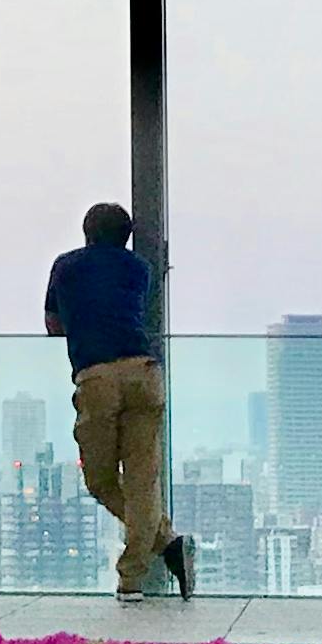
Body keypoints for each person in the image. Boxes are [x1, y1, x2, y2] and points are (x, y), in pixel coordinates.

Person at [46, 202, 191, 604]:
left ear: (87, 232)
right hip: (146, 371)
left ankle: (146, 565)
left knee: (101, 479)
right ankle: (149, 561)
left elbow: (53, 324)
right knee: (144, 483)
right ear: (127, 236)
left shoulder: (66, 266)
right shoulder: (140, 269)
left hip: (97, 376)